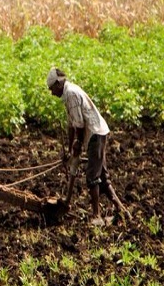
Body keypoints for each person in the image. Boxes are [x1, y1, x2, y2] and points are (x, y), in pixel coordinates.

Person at [46, 67, 129, 226]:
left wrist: (77, 143)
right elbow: (72, 125)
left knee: (92, 177)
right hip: (95, 134)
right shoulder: (68, 94)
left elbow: (79, 124)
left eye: (51, 89)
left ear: (58, 84)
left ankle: (96, 216)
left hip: (95, 134)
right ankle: (122, 211)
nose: (51, 93)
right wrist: (70, 150)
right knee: (103, 177)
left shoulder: (71, 94)